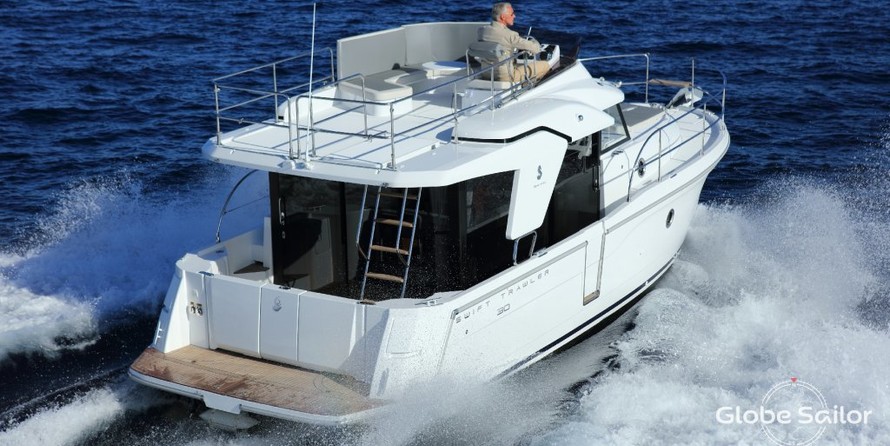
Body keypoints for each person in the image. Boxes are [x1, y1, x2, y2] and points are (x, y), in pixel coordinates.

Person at [477, 2, 550, 82]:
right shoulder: (510, 35)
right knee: (545, 65)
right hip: (506, 78)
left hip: (486, 74)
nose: (514, 16)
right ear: (503, 17)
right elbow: (535, 49)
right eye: (512, 14)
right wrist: (534, 41)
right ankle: (528, 86)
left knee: (515, 64)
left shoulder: (481, 31)